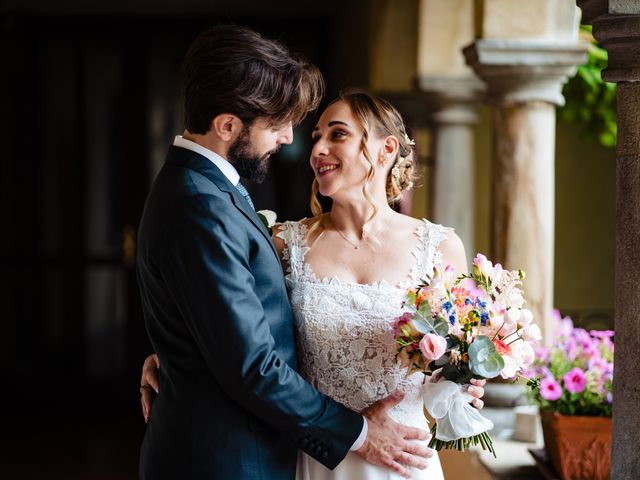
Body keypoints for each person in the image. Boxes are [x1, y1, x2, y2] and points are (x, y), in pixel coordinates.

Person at [136, 25, 441, 480]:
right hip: (235, 461)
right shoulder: (203, 204)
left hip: (307, 447)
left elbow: (226, 320)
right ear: (226, 126)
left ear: (386, 151)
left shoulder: (209, 191)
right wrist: (359, 434)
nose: (289, 141)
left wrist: (460, 373)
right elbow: (249, 364)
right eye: (278, 125)